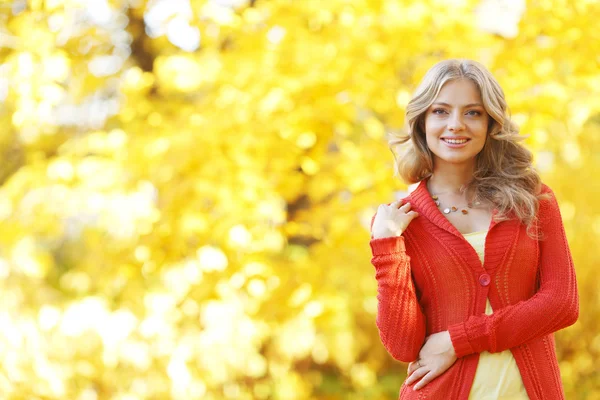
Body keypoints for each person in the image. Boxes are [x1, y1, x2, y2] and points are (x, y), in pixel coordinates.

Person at [369, 59, 579, 399]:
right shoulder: (400, 221)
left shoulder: (533, 200)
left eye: (473, 113)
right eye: (440, 111)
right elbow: (404, 346)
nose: (456, 125)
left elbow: (562, 303)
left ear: (491, 123)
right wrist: (386, 246)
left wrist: (459, 340)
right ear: (422, 121)